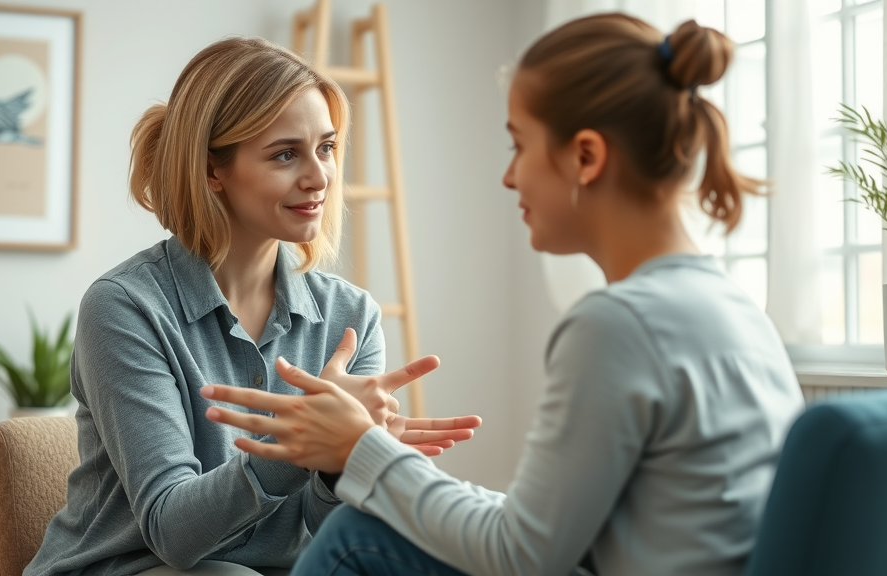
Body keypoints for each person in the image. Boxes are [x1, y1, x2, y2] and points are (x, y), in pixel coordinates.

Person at [200, 14, 806, 576]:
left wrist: (360, 446)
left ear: (586, 157)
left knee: (355, 539)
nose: (509, 175)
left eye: (519, 144)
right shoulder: (735, 309)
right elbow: (550, 531)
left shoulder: (617, 325)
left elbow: (521, 554)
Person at [23, 37, 481, 576]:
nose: (319, 177)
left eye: (327, 148)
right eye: (285, 154)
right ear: (213, 170)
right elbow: (172, 529)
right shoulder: (125, 308)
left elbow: (324, 528)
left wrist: (341, 465)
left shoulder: (351, 319)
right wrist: (306, 439)